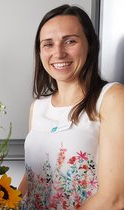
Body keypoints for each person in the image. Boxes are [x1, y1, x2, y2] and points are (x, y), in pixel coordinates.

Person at [18, 4, 124, 209]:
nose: (58, 53)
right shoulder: (38, 107)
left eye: (70, 41)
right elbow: (31, 179)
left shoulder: (112, 98)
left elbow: (115, 198)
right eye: (48, 44)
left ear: (90, 45)